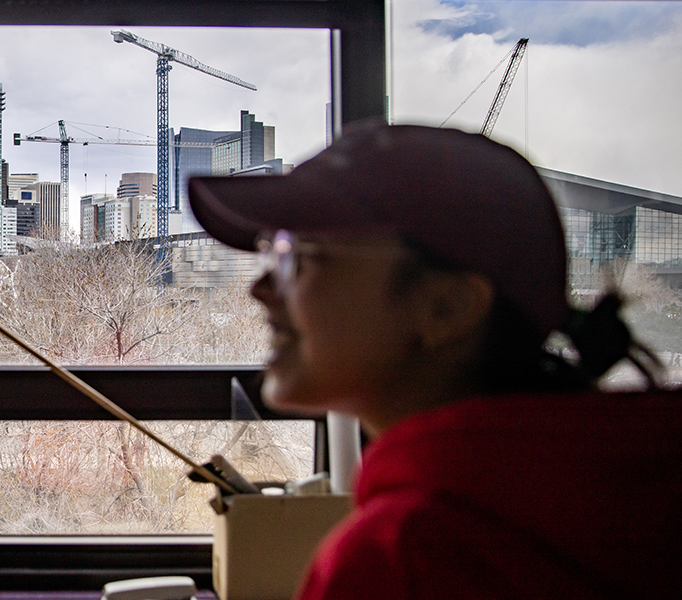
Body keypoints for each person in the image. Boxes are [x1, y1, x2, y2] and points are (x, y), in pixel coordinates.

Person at [189, 123, 682, 599]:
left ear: (446, 307)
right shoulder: (619, 504)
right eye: (269, 254)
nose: (259, 287)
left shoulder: (401, 559)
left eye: (296, 255)